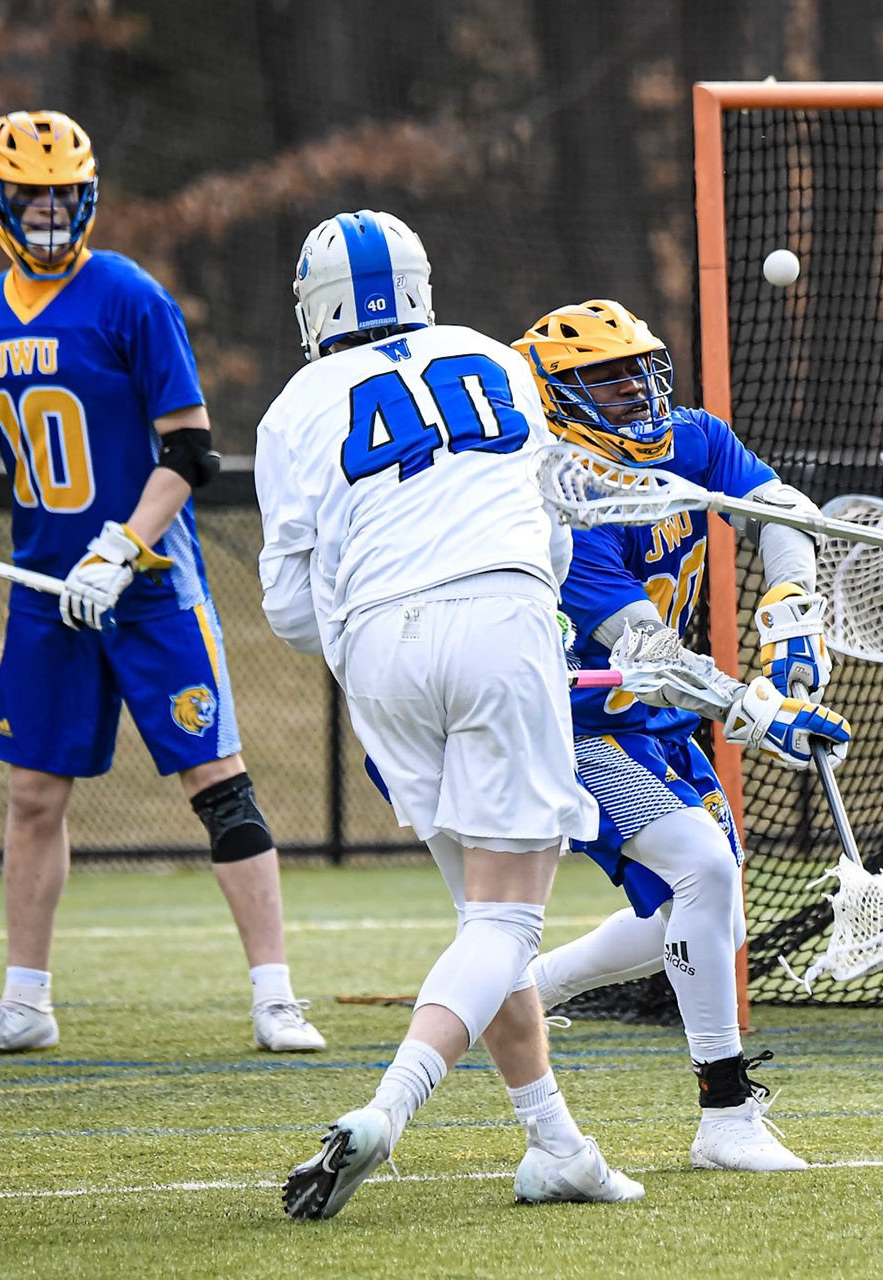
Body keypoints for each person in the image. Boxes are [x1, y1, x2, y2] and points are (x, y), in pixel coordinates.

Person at [0, 110, 320, 1057]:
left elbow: (190, 449)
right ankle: (26, 1003)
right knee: (34, 794)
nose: (49, 212)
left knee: (218, 783)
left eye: (64, 195)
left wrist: (123, 546)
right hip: (45, 595)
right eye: (32, 196)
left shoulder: (127, 294)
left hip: (148, 585)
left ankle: (276, 998)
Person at [259, 216, 638, 1216]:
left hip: (378, 647)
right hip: (501, 616)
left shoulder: (294, 404)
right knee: (508, 918)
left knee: (485, 926)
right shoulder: (491, 358)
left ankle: (555, 1142)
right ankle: (387, 1106)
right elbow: (553, 531)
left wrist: (372, 616)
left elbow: (294, 610)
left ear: (317, 308)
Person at [512, 299, 854, 1173]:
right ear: (555, 395)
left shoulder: (692, 440)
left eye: (639, 368)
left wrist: (791, 614)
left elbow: (783, 508)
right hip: (585, 727)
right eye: (605, 377)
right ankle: (725, 1117)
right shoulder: (554, 501)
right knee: (703, 872)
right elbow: (648, 652)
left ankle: (527, 987)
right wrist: (759, 711)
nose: (634, 388)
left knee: (707, 917)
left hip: (658, 722)